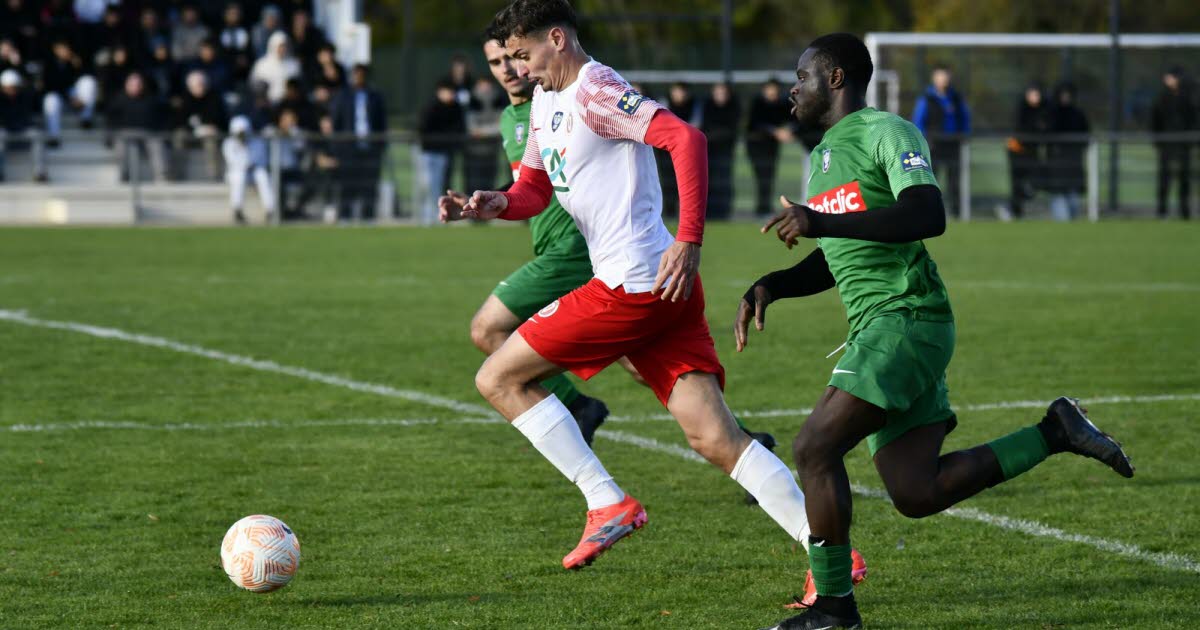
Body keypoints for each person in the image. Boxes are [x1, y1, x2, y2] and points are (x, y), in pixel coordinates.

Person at [737, 34, 1133, 630]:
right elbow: (842, 250)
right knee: (915, 491)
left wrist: (818, 219)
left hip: (906, 317)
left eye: (803, 75)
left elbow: (927, 214)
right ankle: (1054, 431)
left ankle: (835, 608)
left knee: (814, 449)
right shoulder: (821, 160)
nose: (792, 87)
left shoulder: (885, 132)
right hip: (885, 325)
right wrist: (774, 283)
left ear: (837, 78)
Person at [439, 0, 818, 587]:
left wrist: (689, 237)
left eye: (522, 54)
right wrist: (492, 203)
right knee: (715, 438)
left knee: (498, 377)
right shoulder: (545, 102)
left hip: (632, 284)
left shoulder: (596, 89)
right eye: (508, 58)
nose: (516, 68)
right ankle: (831, 559)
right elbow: (534, 190)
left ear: (557, 39)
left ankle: (606, 501)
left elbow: (686, 140)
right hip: (660, 290)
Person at [442, 35, 612, 445]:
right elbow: (528, 181)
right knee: (647, 366)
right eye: (496, 61)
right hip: (562, 251)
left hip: (572, 250)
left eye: (513, 57)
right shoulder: (509, 117)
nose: (507, 68)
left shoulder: (558, 102)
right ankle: (743, 442)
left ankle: (575, 407)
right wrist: (480, 199)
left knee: (487, 330)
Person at [330, 63, 387, 221]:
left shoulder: (375, 96)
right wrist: (337, 149)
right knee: (348, 185)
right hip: (349, 149)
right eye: (356, 74)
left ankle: (368, 217)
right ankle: (345, 217)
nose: (359, 78)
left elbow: (381, 123)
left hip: (370, 148)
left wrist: (380, 146)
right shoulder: (343, 96)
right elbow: (337, 123)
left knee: (369, 185)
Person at [912, 65, 970, 218]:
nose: (943, 79)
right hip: (933, 146)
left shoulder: (956, 98)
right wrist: (924, 141)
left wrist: (964, 135)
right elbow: (918, 122)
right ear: (934, 78)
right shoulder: (926, 99)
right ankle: (930, 211)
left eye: (946, 76)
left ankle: (957, 212)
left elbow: (965, 118)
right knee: (931, 180)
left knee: (955, 180)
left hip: (953, 145)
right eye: (940, 76)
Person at [106, 71, 168, 182]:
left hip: (148, 133)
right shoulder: (118, 100)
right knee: (120, 145)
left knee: (157, 143)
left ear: (142, 85)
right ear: (126, 85)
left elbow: (160, 118)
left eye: (138, 84)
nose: (135, 87)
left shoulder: (151, 100)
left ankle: (161, 177)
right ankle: (124, 176)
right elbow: (111, 121)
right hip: (125, 134)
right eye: (132, 85)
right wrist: (109, 137)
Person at [418, 79, 465, 224]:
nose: (450, 95)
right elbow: (423, 129)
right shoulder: (430, 107)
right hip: (429, 153)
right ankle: (427, 216)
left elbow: (459, 129)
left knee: (442, 185)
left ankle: (439, 215)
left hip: (446, 153)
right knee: (429, 185)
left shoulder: (456, 108)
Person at [1150, 67, 1195, 219]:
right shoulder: (1161, 98)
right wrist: (1158, 141)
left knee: (1184, 179)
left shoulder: (1186, 98)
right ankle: (1162, 211)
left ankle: (1184, 211)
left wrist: (1190, 140)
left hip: (1183, 144)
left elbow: (1193, 120)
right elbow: (1155, 121)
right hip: (1166, 145)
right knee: (1164, 179)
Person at [746, 78, 794, 216]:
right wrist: (775, 131)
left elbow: (792, 119)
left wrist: (787, 130)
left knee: (769, 175)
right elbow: (754, 124)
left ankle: (765, 207)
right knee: (761, 176)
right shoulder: (757, 103)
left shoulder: (782, 103)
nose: (773, 92)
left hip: (772, 147)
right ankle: (762, 208)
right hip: (756, 146)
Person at [1002, 82, 1050, 220]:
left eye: (1037, 94)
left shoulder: (1044, 108)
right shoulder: (1021, 108)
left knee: (1036, 180)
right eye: (1032, 94)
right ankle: (1014, 211)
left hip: (1031, 151)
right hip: (1017, 151)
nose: (1034, 97)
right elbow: (1021, 129)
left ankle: (1013, 207)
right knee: (1017, 182)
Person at [1045, 82, 1089, 222]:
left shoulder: (1078, 115)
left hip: (1074, 163)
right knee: (1059, 198)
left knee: (1073, 200)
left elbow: (1086, 135)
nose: (1065, 97)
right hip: (1057, 163)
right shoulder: (1052, 114)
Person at [172, 70, 227, 180]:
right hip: (190, 133)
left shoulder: (214, 97)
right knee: (179, 136)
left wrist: (207, 127)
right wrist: (195, 128)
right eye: (195, 86)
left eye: (201, 85)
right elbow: (179, 120)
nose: (199, 88)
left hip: (209, 133)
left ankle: (214, 176)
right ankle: (177, 176)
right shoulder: (184, 98)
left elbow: (217, 118)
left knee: (211, 140)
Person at [41, 39, 98, 142]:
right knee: (50, 100)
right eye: (62, 49)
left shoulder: (73, 62)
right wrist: (70, 98)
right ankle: (53, 136)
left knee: (88, 81)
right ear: (56, 50)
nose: (66, 51)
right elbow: (51, 86)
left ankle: (85, 119)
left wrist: (78, 66)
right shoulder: (49, 64)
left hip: (74, 97)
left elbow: (84, 79)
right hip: (60, 97)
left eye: (67, 49)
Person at [222, 114, 274, 224]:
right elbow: (232, 161)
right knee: (239, 177)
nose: (242, 136)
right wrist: (245, 164)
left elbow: (260, 159)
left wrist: (249, 165)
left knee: (263, 176)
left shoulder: (257, 141)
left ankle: (270, 210)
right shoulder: (228, 143)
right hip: (236, 171)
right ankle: (237, 210)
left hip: (253, 171)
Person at [699, 82, 740, 220]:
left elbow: (731, 131)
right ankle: (709, 212)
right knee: (708, 181)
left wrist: (712, 135)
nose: (720, 96)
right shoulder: (707, 107)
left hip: (725, 151)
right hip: (708, 151)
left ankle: (724, 212)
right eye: (718, 92)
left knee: (724, 180)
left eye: (723, 93)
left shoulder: (733, 108)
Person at [463, 75, 505, 195]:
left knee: (490, 185)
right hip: (473, 152)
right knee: (473, 185)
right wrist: (491, 130)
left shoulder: (499, 100)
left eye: (487, 84)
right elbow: (472, 128)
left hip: (492, 151)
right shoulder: (472, 101)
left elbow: (501, 126)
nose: (485, 87)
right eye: (482, 84)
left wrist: (482, 132)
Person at [0, 68, 43, 182]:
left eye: (13, 87)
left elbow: (35, 104)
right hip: (6, 130)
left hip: (23, 129)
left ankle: (39, 172)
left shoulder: (25, 96)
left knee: (36, 135)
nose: (10, 90)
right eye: (7, 87)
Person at [250, 31, 300, 104]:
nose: (282, 49)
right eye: (280, 46)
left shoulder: (294, 65)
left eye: (284, 46)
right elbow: (254, 86)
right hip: (266, 103)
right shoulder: (261, 65)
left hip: (288, 103)